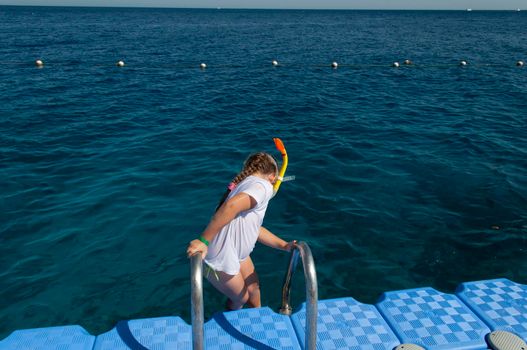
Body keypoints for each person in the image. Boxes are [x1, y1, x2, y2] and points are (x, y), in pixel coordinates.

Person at [186, 152, 296, 310]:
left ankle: (257, 321)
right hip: (219, 258)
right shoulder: (262, 186)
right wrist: (203, 241)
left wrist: (283, 245)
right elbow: (231, 207)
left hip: (237, 253)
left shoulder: (248, 184)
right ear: (273, 177)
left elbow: (254, 228)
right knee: (241, 298)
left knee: (254, 290)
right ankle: (230, 327)